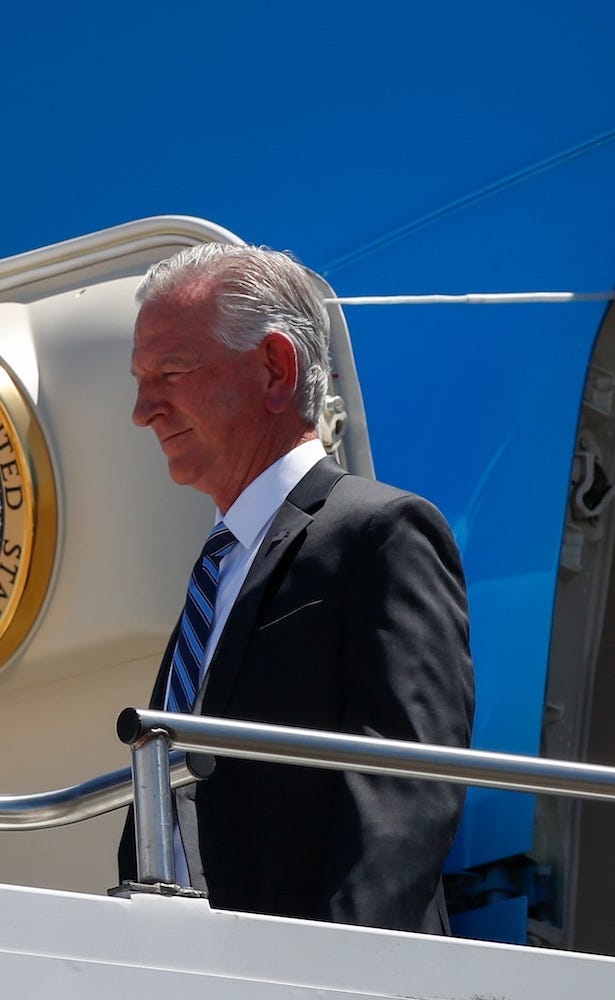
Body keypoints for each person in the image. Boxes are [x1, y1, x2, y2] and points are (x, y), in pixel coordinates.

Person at [117, 243, 475, 932]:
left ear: (275, 369)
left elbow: (406, 783)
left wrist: (333, 971)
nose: (143, 410)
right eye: (139, 379)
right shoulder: (217, 570)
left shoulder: (381, 532)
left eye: (171, 371)